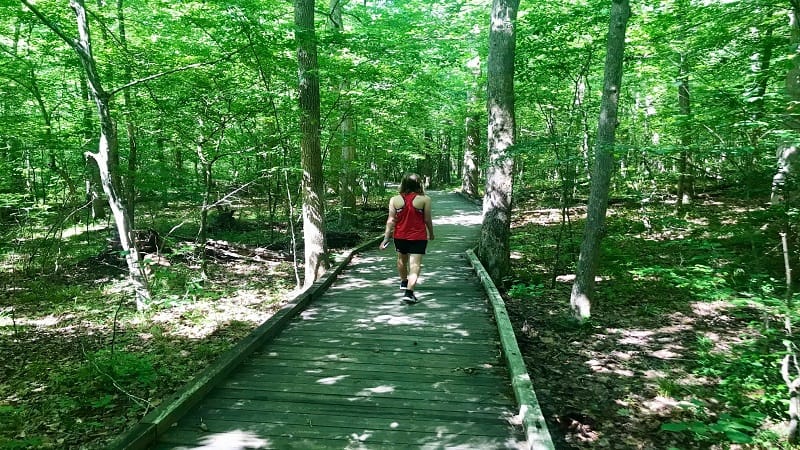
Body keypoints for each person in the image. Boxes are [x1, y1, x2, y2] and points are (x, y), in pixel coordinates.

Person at [380, 173, 434, 303]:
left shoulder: (394, 200)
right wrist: (431, 233)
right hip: (418, 236)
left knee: (401, 260)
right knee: (415, 264)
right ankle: (409, 293)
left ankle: (404, 282)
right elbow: (427, 219)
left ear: (403, 183)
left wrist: (386, 238)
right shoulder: (425, 199)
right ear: (419, 184)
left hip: (400, 236)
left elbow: (391, 220)